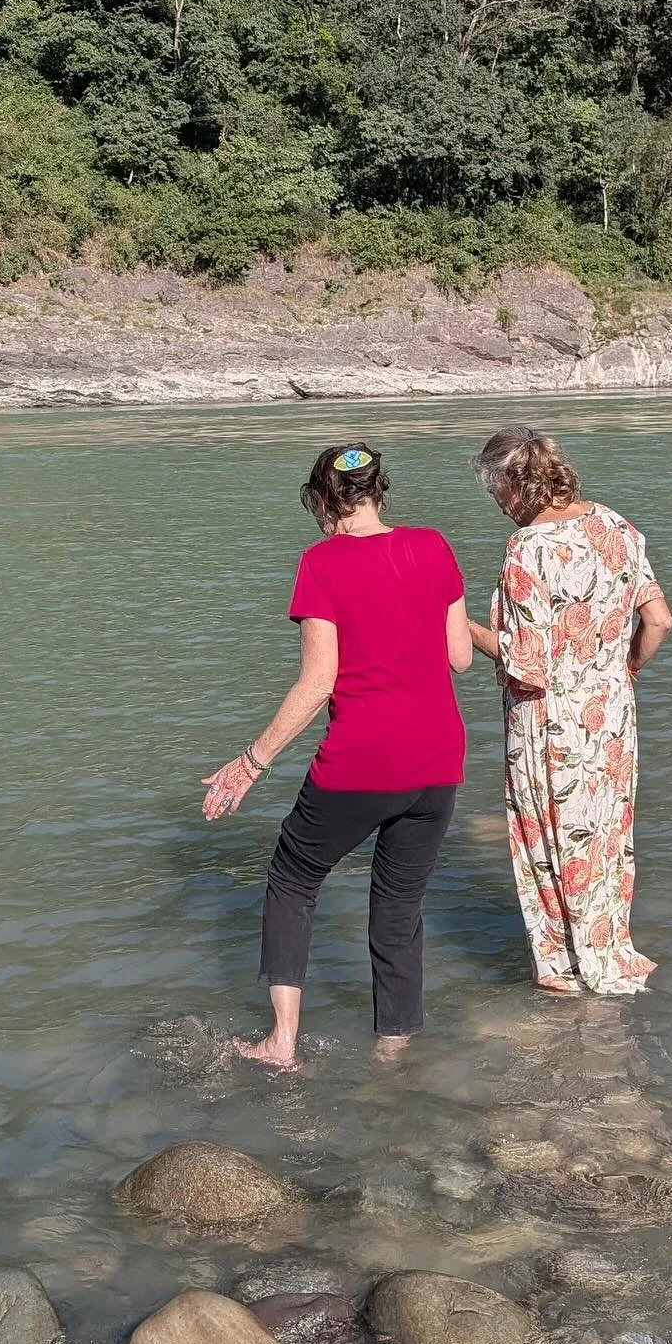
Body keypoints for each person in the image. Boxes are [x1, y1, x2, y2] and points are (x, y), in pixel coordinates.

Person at [203, 443, 472, 1069]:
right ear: (380, 491)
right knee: (400, 902)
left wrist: (251, 761)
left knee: (293, 875)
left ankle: (282, 1043)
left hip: (363, 760)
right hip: (438, 761)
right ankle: (394, 1050)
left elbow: (318, 681)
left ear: (323, 501)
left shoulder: (321, 563)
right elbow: (459, 656)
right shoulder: (433, 545)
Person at [468, 426, 672, 996]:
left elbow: (525, 666)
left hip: (547, 720)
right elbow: (659, 622)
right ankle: (610, 947)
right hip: (611, 709)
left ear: (513, 484)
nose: (500, 508)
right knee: (606, 832)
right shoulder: (614, 525)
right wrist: (624, 668)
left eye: (496, 496)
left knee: (548, 836)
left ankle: (564, 966)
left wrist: (460, 627)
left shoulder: (526, 550)